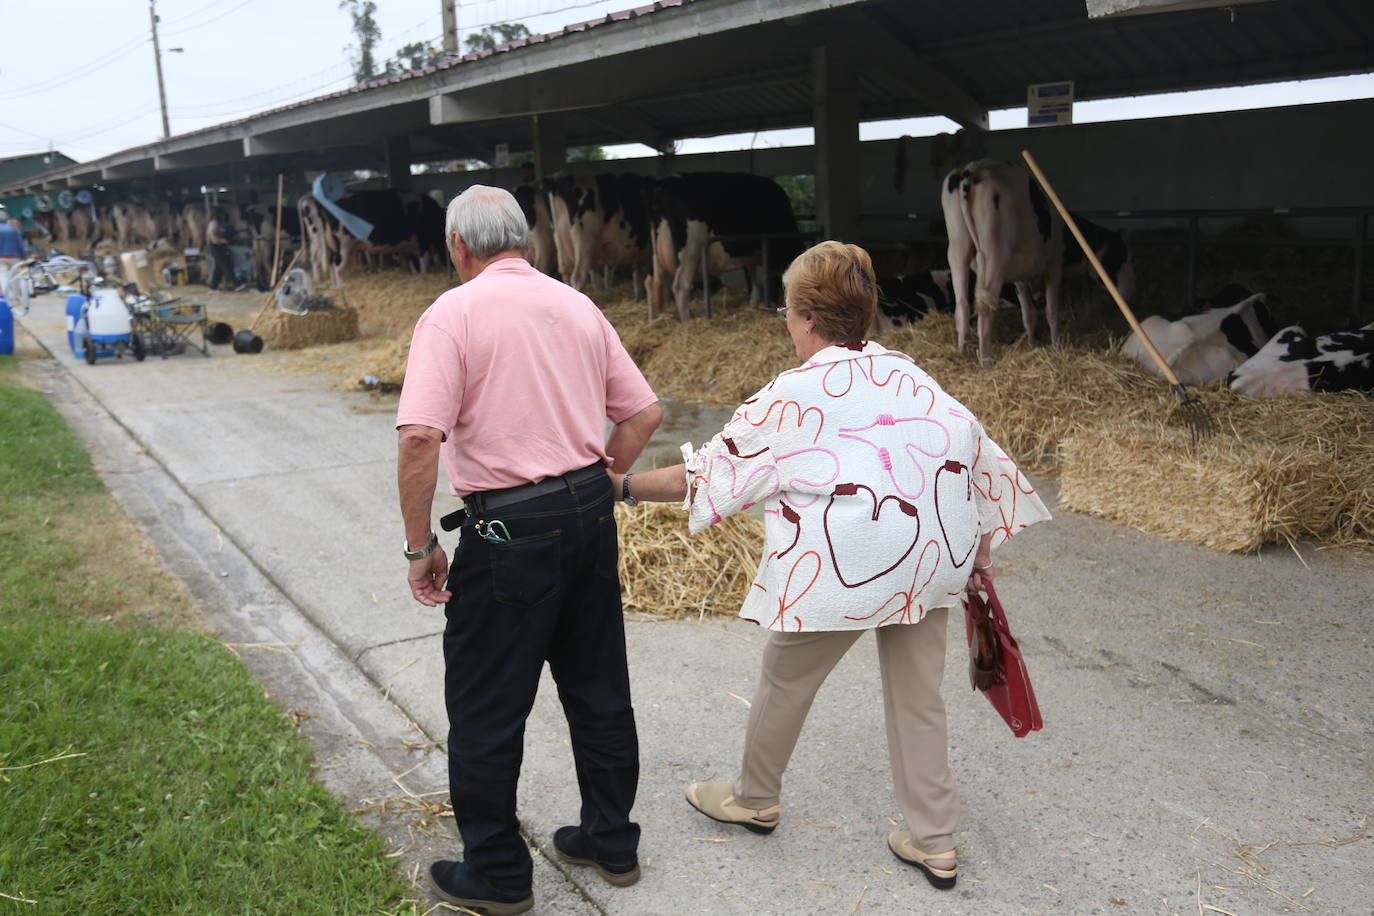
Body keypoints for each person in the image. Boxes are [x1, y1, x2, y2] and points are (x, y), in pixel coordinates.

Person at [611, 240, 1050, 891]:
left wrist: (620, 488)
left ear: (807, 319)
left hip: (844, 569)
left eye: (786, 312)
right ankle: (934, 842)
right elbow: (973, 451)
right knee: (918, 696)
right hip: (927, 564)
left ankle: (753, 799)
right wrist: (978, 548)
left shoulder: (793, 395)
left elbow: (710, 473)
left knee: (785, 679)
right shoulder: (910, 374)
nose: (786, 324)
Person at [395, 185, 663, 915]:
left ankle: (500, 877)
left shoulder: (452, 313)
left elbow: (421, 436)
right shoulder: (574, 304)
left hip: (508, 529)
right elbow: (643, 413)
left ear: (459, 247)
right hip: (586, 511)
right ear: (525, 239)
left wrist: (420, 545)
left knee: (486, 706)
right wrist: (602, 480)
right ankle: (612, 841)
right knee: (598, 687)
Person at [204, 208, 237, 291]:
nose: (224, 215)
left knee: (218, 268)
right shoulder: (214, 223)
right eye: (222, 214)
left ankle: (213, 286)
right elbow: (212, 236)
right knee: (225, 265)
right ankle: (235, 283)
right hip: (216, 246)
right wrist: (223, 240)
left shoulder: (216, 223)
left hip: (217, 246)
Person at [0, 207, 24, 292]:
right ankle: (15, 299)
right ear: (6, 220)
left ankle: (6, 297)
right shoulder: (13, 230)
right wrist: (23, 257)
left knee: (3, 276)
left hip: (0, 258)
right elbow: (20, 244)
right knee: (15, 278)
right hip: (13, 257)